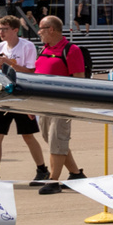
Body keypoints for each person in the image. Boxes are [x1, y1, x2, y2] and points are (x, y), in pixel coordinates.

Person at [0, 16, 49, 186]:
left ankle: (42, 170)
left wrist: (9, 63)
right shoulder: (0, 46)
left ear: (15, 30)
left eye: (4, 29)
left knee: (27, 135)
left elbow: (30, 72)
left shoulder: (27, 46)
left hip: (21, 95)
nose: (1, 32)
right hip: (3, 95)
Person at [34, 15, 90, 194]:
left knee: (57, 141)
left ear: (51, 29)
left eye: (41, 28)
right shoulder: (44, 49)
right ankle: (75, 174)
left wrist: (71, 105)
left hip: (62, 104)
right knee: (51, 140)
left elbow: (79, 80)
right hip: (43, 104)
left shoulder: (71, 50)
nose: (38, 32)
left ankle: (53, 180)